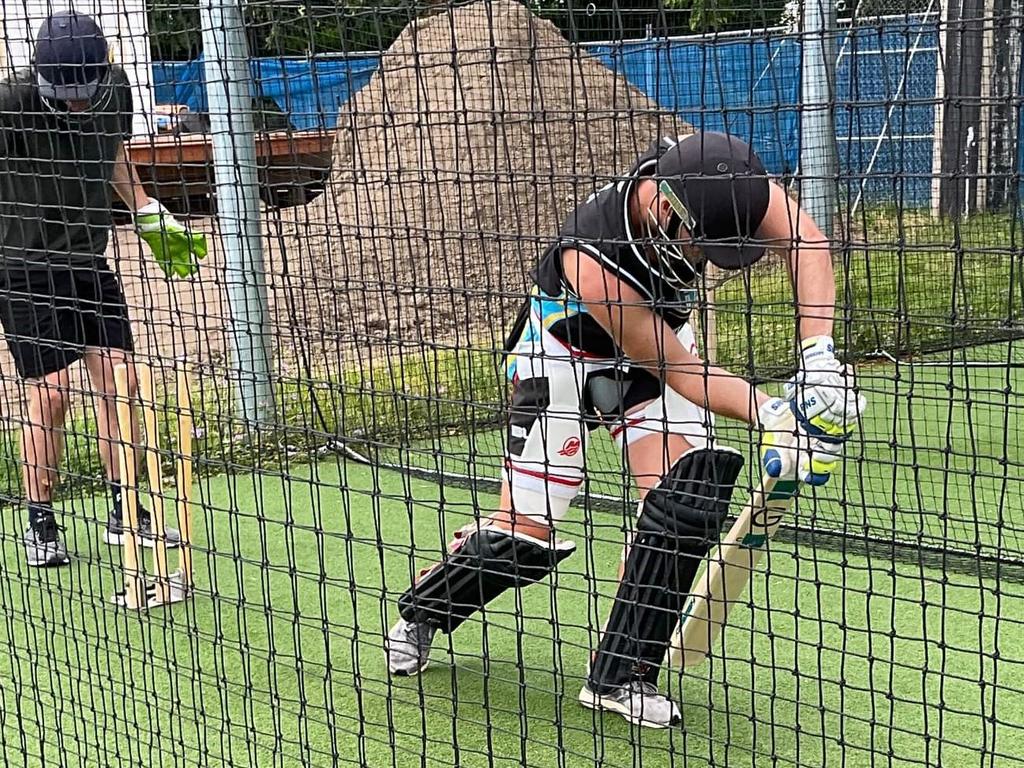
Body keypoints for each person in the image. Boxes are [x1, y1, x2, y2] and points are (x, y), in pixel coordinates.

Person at [385, 130, 867, 727]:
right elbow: (681, 371)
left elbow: (808, 243)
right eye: (704, 245)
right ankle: (423, 609)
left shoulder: (724, 184)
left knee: (685, 499)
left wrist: (818, 355)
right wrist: (775, 413)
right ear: (667, 210)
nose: (708, 259)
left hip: (647, 359)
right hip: (561, 361)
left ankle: (621, 674)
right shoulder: (595, 256)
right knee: (522, 545)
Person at [0, 11, 208, 567]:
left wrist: (145, 212)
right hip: (22, 265)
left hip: (89, 260)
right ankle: (40, 521)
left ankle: (126, 507)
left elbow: (112, 151)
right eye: (64, 94)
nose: (76, 103)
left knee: (120, 379)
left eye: (84, 91)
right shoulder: (7, 103)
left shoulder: (114, 89)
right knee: (51, 395)